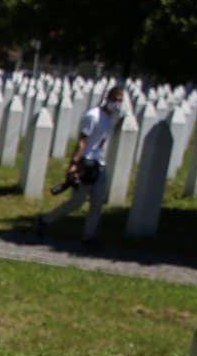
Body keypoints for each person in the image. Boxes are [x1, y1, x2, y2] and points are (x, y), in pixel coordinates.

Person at [37, 85, 129, 244]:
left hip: (100, 163)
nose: (117, 104)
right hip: (86, 163)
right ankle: (46, 219)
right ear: (108, 98)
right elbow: (82, 141)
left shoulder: (111, 118)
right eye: (115, 100)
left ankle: (89, 236)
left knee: (97, 202)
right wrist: (74, 164)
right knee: (76, 203)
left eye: (120, 101)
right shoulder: (93, 116)